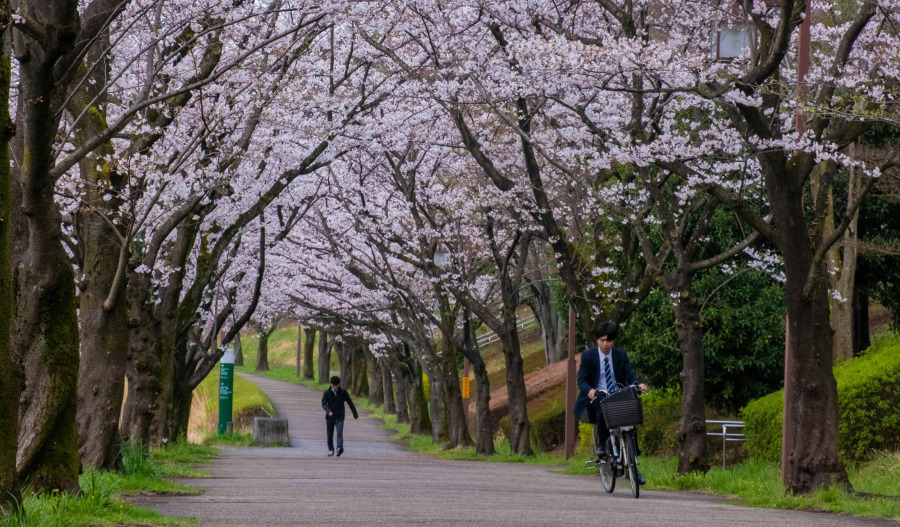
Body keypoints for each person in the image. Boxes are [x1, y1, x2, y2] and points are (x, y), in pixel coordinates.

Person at [573, 321, 648, 484]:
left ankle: (633, 466)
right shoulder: (588, 356)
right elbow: (581, 380)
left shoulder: (620, 355)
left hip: (617, 393)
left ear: (613, 341)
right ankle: (602, 445)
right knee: (602, 406)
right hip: (597, 395)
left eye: (609, 340)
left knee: (630, 419)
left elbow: (629, 374)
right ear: (597, 340)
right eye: (602, 340)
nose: (605, 344)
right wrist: (589, 390)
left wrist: (637, 384)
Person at [321, 375, 358, 457]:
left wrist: (354, 413)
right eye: (333, 386)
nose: (335, 387)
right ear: (331, 384)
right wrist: (328, 411)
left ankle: (339, 447)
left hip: (340, 416)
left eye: (336, 386)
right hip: (330, 417)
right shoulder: (327, 393)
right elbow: (323, 404)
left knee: (339, 432)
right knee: (330, 434)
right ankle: (331, 450)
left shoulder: (343, 392)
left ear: (339, 385)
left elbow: (350, 402)